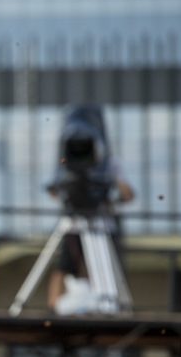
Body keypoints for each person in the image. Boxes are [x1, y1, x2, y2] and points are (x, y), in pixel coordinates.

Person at [46, 104, 134, 312]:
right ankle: (54, 307)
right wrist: (67, 187)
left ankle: (103, 307)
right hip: (73, 223)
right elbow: (54, 190)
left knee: (101, 268)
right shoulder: (66, 163)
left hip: (102, 224)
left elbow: (128, 195)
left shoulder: (110, 165)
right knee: (65, 264)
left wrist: (110, 185)